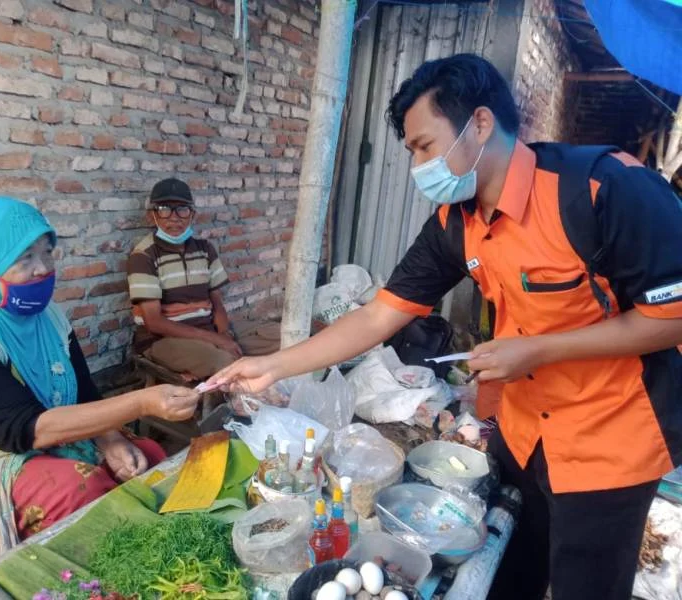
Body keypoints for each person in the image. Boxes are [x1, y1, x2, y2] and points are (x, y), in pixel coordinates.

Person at [209, 54, 682, 600]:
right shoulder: (456, 223)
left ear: (479, 123)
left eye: (424, 146)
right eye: (412, 152)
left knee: (586, 585)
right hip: (523, 434)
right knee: (510, 569)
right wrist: (272, 366)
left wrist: (538, 351)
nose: (418, 167)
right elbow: (379, 314)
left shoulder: (601, 189)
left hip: (610, 440)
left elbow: (670, 318)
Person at [0, 197, 199, 568]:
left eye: (47, 252)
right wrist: (141, 403)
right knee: (80, 490)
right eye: (24, 258)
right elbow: (24, 431)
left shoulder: (48, 317)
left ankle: (155, 559)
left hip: (42, 433)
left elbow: (83, 392)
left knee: (146, 457)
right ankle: (101, 577)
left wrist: (112, 439)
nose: (42, 268)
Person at [127, 177, 279, 381]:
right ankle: (246, 395)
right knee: (224, 362)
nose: (174, 217)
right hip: (162, 340)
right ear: (151, 216)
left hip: (207, 329)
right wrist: (216, 340)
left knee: (284, 338)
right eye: (164, 209)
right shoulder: (143, 256)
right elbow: (154, 322)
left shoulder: (204, 249)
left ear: (192, 215)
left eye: (182, 209)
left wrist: (224, 334)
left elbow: (216, 302)